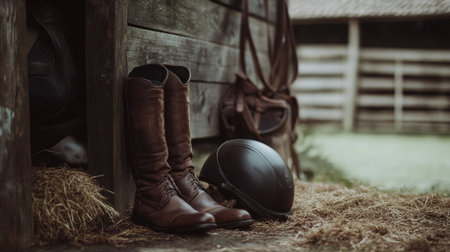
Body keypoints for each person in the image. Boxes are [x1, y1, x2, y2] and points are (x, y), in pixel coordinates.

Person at [124, 63, 254, 232]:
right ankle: (152, 198)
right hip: (152, 195)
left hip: (178, 186)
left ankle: (182, 179)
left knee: (181, 167)